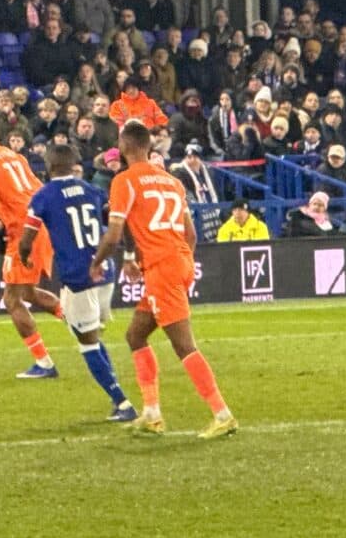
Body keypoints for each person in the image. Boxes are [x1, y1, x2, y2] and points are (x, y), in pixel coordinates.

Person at [91, 120, 237, 439]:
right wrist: (174, 261)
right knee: (135, 335)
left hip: (162, 268)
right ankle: (152, 413)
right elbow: (191, 234)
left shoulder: (124, 181)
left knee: (183, 345)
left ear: (125, 146)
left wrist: (97, 263)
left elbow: (114, 234)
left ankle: (222, 413)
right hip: (178, 261)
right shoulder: (172, 181)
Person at [21, 141, 135, 421]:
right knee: (89, 334)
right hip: (106, 271)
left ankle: (122, 403)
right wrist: (130, 255)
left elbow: (26, 239)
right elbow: (122, 221)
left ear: (48, 166)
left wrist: (25, 258)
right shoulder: (91, 189)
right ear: (74, 165)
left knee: (86, 342)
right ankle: (117, 395)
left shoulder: (44, 196)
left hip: (78, 276)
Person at [0, 115, 64, 380]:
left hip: (22, 230)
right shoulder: (15, 156)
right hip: (40, 223)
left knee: (11, 298)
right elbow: (39, 189)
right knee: (27, 292)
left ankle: (44, 362)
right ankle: (79, 320)